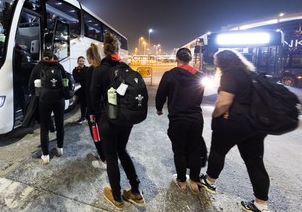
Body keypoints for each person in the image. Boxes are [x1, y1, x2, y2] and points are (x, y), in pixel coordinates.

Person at [198, 49, 270, 212]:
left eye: (216, 63)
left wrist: (216, 116)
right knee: (254, 161)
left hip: (235, 123)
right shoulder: (251, 74)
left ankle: (209, 182)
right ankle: (261, 204)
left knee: (218, 151)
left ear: (221, 63)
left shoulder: (230, 74)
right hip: (256, 125)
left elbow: (224, 102)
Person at [90, 32, 145, 210]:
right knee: (122, 150)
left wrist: (97, 116)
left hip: (109, 120)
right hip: (126, 118)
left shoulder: (100, 69)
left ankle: (117, 197)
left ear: (104, 50)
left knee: (111, 155)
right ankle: (136, 192)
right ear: (118, 49)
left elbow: (93, 98)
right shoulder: (125, 67)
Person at [155, 47, 205, 195]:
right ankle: (195, 182)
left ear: (177, 58)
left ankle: (182, 182)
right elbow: (200, 97)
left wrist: (159, 109)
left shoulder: (170, 75)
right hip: (196, 118)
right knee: (195, 149)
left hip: (178, 119)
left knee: (179, 150)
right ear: (190, 59)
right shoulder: (199, 75)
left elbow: (161, 94)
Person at [28, 50, 66, 165]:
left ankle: (45, 155)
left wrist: (38, 95)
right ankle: (60, 149)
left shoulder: (38, 67)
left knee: (44, 128)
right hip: (59, 100)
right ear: (52, 56)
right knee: (60, 125)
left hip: (44, 101)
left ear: (42, 57)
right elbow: (65, 82)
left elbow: (30, 86)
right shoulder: (59, 66)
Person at [85, 43, 106, 170]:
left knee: (96, 134)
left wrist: (90, 111)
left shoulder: (92, 70)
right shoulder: (104, 68)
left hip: (95, 110)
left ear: (89, 56)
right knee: (106, 134)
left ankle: (104, 159)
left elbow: (89, 92)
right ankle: (108, 156)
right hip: (106, 109)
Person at [73, 56, 88, 124]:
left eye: (82, 61)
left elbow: (85, 78)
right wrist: (82, 78)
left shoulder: (88, 69)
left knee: (88, 104)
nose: (81, 62)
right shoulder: (75, 70)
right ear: (77, 62)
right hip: (80, 90)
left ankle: (88, 117)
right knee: (82, 104)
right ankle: (83, 117)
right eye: (80, 61)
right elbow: (75, 78)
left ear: (84, 61)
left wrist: (81, 78)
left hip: (87, 89)